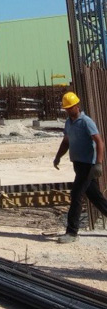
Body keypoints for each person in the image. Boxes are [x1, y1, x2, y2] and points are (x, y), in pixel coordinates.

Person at [53, 91, 107, 242]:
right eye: (66, 108)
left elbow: (99, 142)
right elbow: (66, 142)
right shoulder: (69, 123)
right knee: (96, 198)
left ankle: (71, 232)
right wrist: (58, 157)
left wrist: (98, 163)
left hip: (88, 166)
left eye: (71, 107)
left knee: (76, 195)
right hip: (78, 164)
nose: (69, 110)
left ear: (77, 105)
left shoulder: (86, 122)